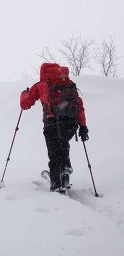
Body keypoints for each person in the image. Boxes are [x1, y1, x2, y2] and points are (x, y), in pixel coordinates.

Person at [20, 63, 89, 192]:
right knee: (62, 144)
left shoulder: (41, 85)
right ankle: (65, 173)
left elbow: (25, 104)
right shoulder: (68, 84)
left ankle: (56, 185)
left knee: (54, 153)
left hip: (52, 124)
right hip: (71, 124)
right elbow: (79, 106)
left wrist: (24, 93)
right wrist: (83, 127)